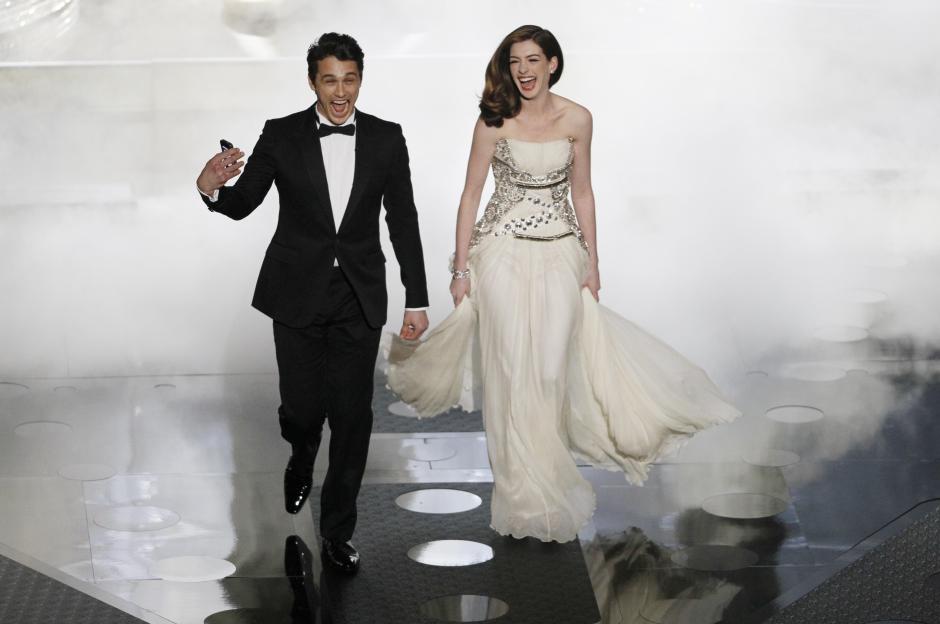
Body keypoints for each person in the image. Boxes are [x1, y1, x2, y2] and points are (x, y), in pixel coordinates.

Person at [386, 25, 740, 543]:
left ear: (553, 63)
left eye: (532, 60)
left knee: (550, 369)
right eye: (514, 62)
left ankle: (548, 478)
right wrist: (460, 270)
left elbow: (585, 193)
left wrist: (593, 262)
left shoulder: (578, 119)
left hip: (559, 252)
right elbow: (470, 196)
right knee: (510, 369)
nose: (524, 70)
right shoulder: (493, 121)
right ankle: (522, 495)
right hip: (501, 251)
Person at [196, 32, 430, 573]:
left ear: (360, 80)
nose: (341, 90)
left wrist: (415, 299)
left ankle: (337, 530)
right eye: (330, 79)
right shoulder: (281, 134)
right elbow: (243, 202)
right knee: (303, 411)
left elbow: (404, 220)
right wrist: (211, 188)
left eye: (350, 79)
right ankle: (301, 454)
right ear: (312, 81)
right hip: (296, 292)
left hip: (358, 295)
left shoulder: (387, 138)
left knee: (353, 416)